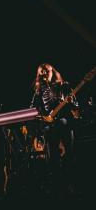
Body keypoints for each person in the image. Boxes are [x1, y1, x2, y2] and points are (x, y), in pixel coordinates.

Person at [30, 63, 79, 195]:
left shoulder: (64, 86)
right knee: (53, 160)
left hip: (65, 124)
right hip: (49, 127)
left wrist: (71, 104)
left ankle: (70, 185)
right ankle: (56, 187)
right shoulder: (38, 91)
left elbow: (76, 110)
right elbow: (33, 111)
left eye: (46, 70)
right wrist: (44, 118)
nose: (43, 73)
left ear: (52, 71)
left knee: (70, 156)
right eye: (41, 71)